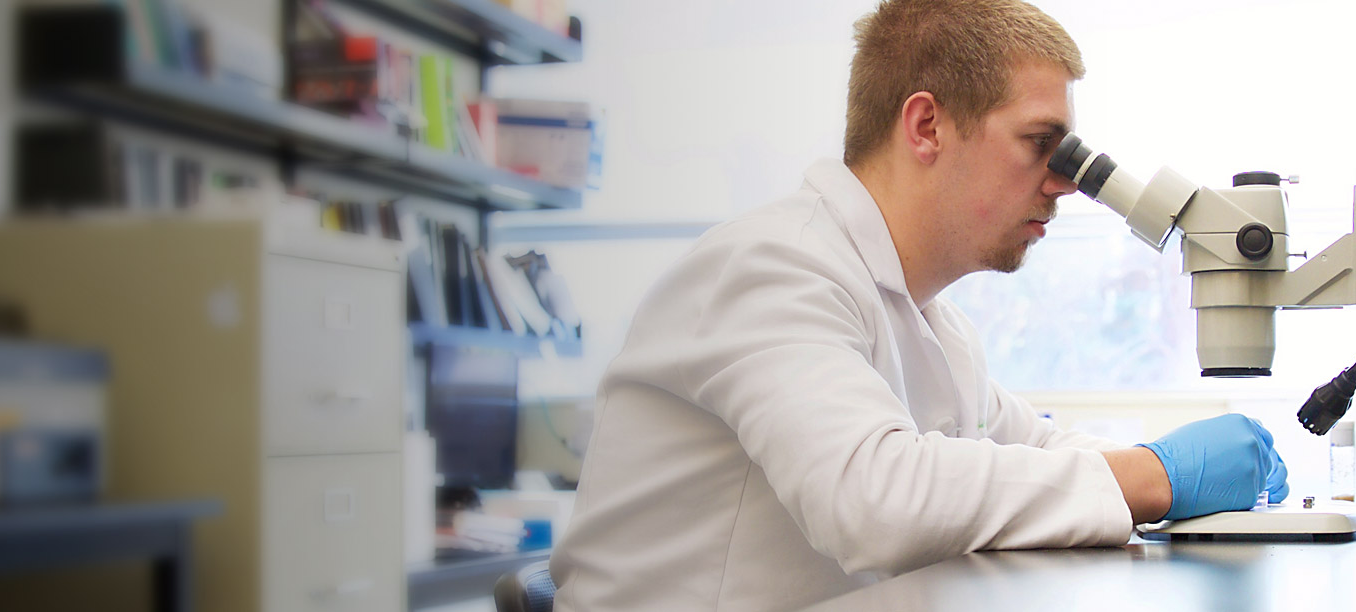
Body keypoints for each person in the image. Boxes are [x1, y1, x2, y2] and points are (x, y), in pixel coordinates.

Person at [552, 1, 1288, 610]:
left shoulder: (931, 320)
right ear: (926, 125)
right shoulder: (769, 268)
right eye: (1042, 145)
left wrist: (1179, 473)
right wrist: (1157, 475)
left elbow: (1030, 451)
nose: (1064, 184)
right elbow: (875, 500)